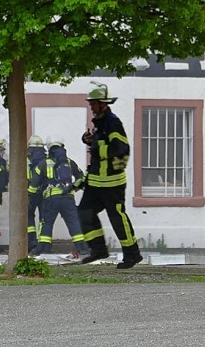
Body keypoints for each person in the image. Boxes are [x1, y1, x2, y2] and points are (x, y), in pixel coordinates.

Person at [78, 82, 144, 269]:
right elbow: (102, 145)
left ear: (103, 103)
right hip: (96, 182)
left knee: (117, 218)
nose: (91, 106)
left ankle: (132, 255)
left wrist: (98, 146)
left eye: (93, 103)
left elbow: (121, 148)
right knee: (84, 212)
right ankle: (98, 249)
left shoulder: (113, 123)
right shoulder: (100, 123)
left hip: (112, 183)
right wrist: (90, 140)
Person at [34, 138, 86, 256]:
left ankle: (44, 248)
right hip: (68, 198)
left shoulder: (43, 164)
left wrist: (32, 197)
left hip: (51, 198)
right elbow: (82, 178)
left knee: (47, 222)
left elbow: (34, 184)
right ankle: (82, 247)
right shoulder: (69, 162)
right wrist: (72, 188)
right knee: (73, 222)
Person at [26, 134, 47, 252]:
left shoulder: (26, 159)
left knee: (29, 216)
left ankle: (31, 241)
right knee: (44, 218)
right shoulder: (46, 159)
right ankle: (43, 244)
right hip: (44, 192)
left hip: (30, 192)